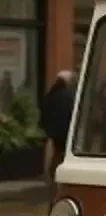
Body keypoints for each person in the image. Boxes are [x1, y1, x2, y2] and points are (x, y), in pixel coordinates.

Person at [40, 70, 77, 204]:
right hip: (65, 135)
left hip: (54, 134)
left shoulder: (51, 94)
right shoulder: (69, 96)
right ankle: (59, 194)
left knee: (55, 161)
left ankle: (54, 193)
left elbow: (44, 113)